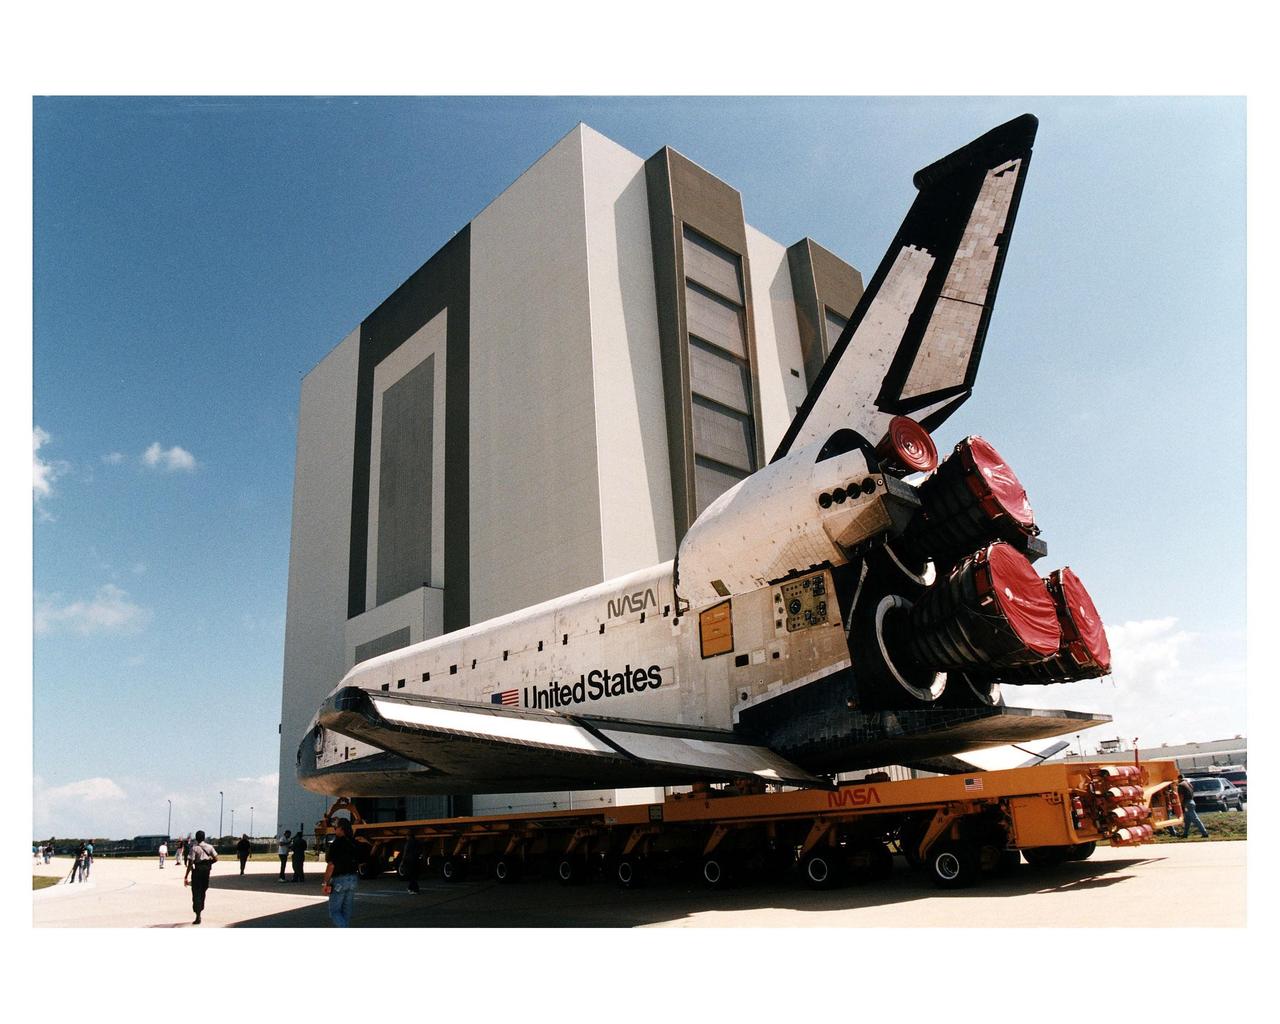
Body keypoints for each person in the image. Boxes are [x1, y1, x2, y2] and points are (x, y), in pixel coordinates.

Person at [322, 818, 361, 927]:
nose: (334, 829)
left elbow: (331, 865)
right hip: (353, 878)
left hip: (339, 880)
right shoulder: (354, 842)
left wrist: (325, 882)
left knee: (334, 911)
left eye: (336, 827)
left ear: (341, 829)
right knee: (346, 912)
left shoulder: (336, 843)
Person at [183, 829, 218, 925]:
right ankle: (200, 908)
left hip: (197, 871)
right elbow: (216, 858)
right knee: (203, 890)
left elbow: (190, 863)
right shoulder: (210, 847)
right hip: (206, 871)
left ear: (196, 838)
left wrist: (186, 876)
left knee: (196, 892)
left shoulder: (194, 848)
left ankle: (198, 913)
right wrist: (208, 863)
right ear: (204, 837)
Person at [1179, 774, 1209, 839]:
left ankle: (1204, 833)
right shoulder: (1189, 784)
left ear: (1179, 778)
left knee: (1195, 819)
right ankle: (1185, 834)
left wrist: (1181, 804)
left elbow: (1181, 796)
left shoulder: (1181, 785)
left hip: (1186, 803)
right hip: (1191, 801)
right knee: (1187, 820)